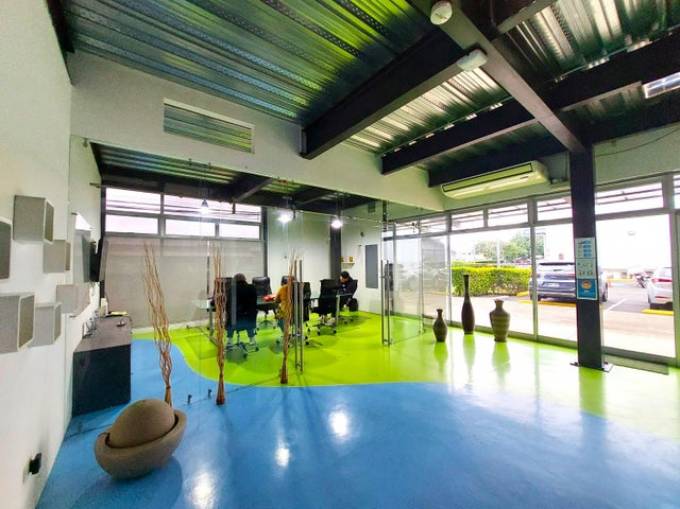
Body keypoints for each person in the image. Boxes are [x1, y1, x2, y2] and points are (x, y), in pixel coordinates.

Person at [226, 273, 258, 347]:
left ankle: (230, 341)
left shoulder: (232, 289)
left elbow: (228, 304)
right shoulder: (252, 287)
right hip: (250, 320)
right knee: (248, 315)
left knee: (231, 317)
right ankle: (252, 339)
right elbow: (254, 303)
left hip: (236, 320)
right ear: (244, 279)